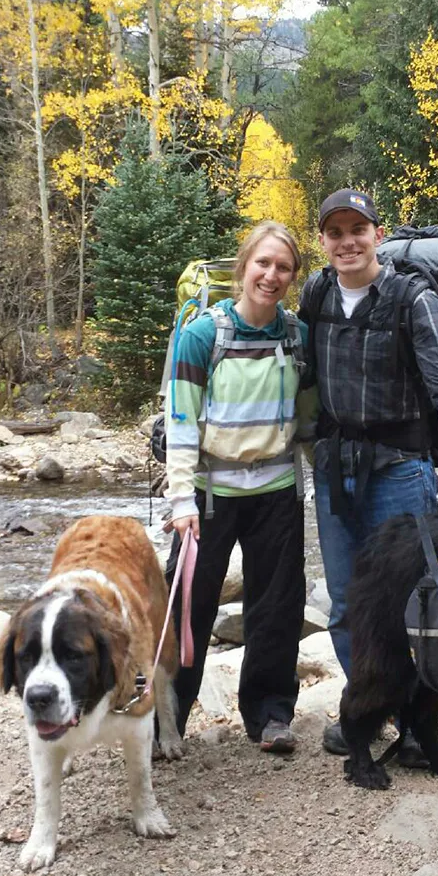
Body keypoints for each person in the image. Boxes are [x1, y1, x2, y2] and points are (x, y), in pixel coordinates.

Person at [298, 189, 438, 758]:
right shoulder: (317, 292)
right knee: (346, 604)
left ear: (378, 235)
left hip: (403, 472)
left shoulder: (412, 299)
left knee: (417, 603)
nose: (347, 241)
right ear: (324, 241)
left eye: (358, 229)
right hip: (336, 471)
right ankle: (369, 710)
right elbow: (295, 374)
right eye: (335, 232)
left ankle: (415, 727)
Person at [162, 221, 316, 754]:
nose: (271, 276)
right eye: (263, 264)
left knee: (276, 607)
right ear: (243, 266)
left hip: (276, 489)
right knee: (187, 607)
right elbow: (182, 423)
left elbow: (310, 416)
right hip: (207, 496)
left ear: (292, 277)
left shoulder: (295, 335)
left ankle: (271, 715)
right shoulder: (202, 335)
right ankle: (167, 720)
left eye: (283, 268)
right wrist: (180, 499)